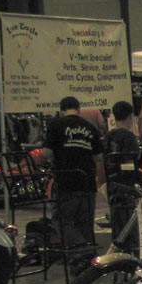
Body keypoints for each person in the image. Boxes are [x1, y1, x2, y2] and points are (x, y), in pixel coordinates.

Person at [43, 95, 104, 270]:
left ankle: (81, 251)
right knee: (85, 223)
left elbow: (47, 153)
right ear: (78, 109)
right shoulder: (90, 127)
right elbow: (98, 157)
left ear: (62, 110)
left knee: (62, 219)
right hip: (87, 181)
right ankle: (88, 262)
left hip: (66, 181)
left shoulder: (56, 125)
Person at [103, 100, 141, 253]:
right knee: (131, 224)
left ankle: (119, 251)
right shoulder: (129, 137)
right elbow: (132, 162)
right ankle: (133, 251)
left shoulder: (109, 136)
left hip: (113, 185)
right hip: (128, 187)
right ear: (131, 117)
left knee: (117, 224)